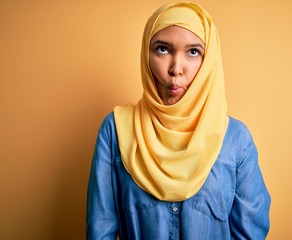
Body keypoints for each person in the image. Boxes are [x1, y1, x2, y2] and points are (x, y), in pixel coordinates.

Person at [86, 2, 271, 239]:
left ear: (209, 61)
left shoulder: (236, 140)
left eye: (193, 52)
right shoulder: (115, 132)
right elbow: (100, 232)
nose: (176, 68)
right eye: (163, 49)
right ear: (146, 54)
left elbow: (250, 234)